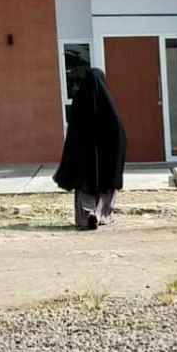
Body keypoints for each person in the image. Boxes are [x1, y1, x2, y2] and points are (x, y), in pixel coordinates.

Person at [54, 67, 127, 230]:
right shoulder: (108, 103)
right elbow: (119, 133)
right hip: (106, 156)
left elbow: (73, 132)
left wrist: (72, 154)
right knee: (107, 183)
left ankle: (87, 215)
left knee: (84, 184)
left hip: (84, 156)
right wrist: (117, 154)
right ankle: (102, 215)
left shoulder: (80, 101)